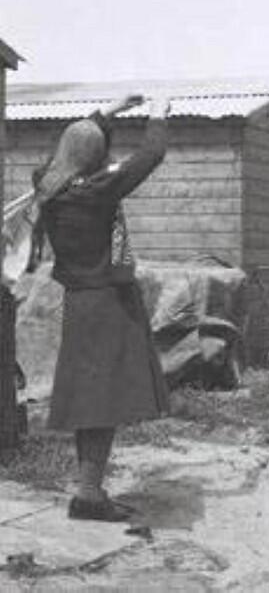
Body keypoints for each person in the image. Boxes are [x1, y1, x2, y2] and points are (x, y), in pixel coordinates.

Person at [32, 93, 171, 522]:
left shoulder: (49, 184)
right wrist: (157, 115)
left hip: (79, 301)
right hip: (109, 301)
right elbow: (152, 153)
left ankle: (89, 489)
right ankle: (89, 495)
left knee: (91, 398)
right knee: (104, 399)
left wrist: (109, 111)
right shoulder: (98, 190)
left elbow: (74, 140)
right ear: (95, 156)